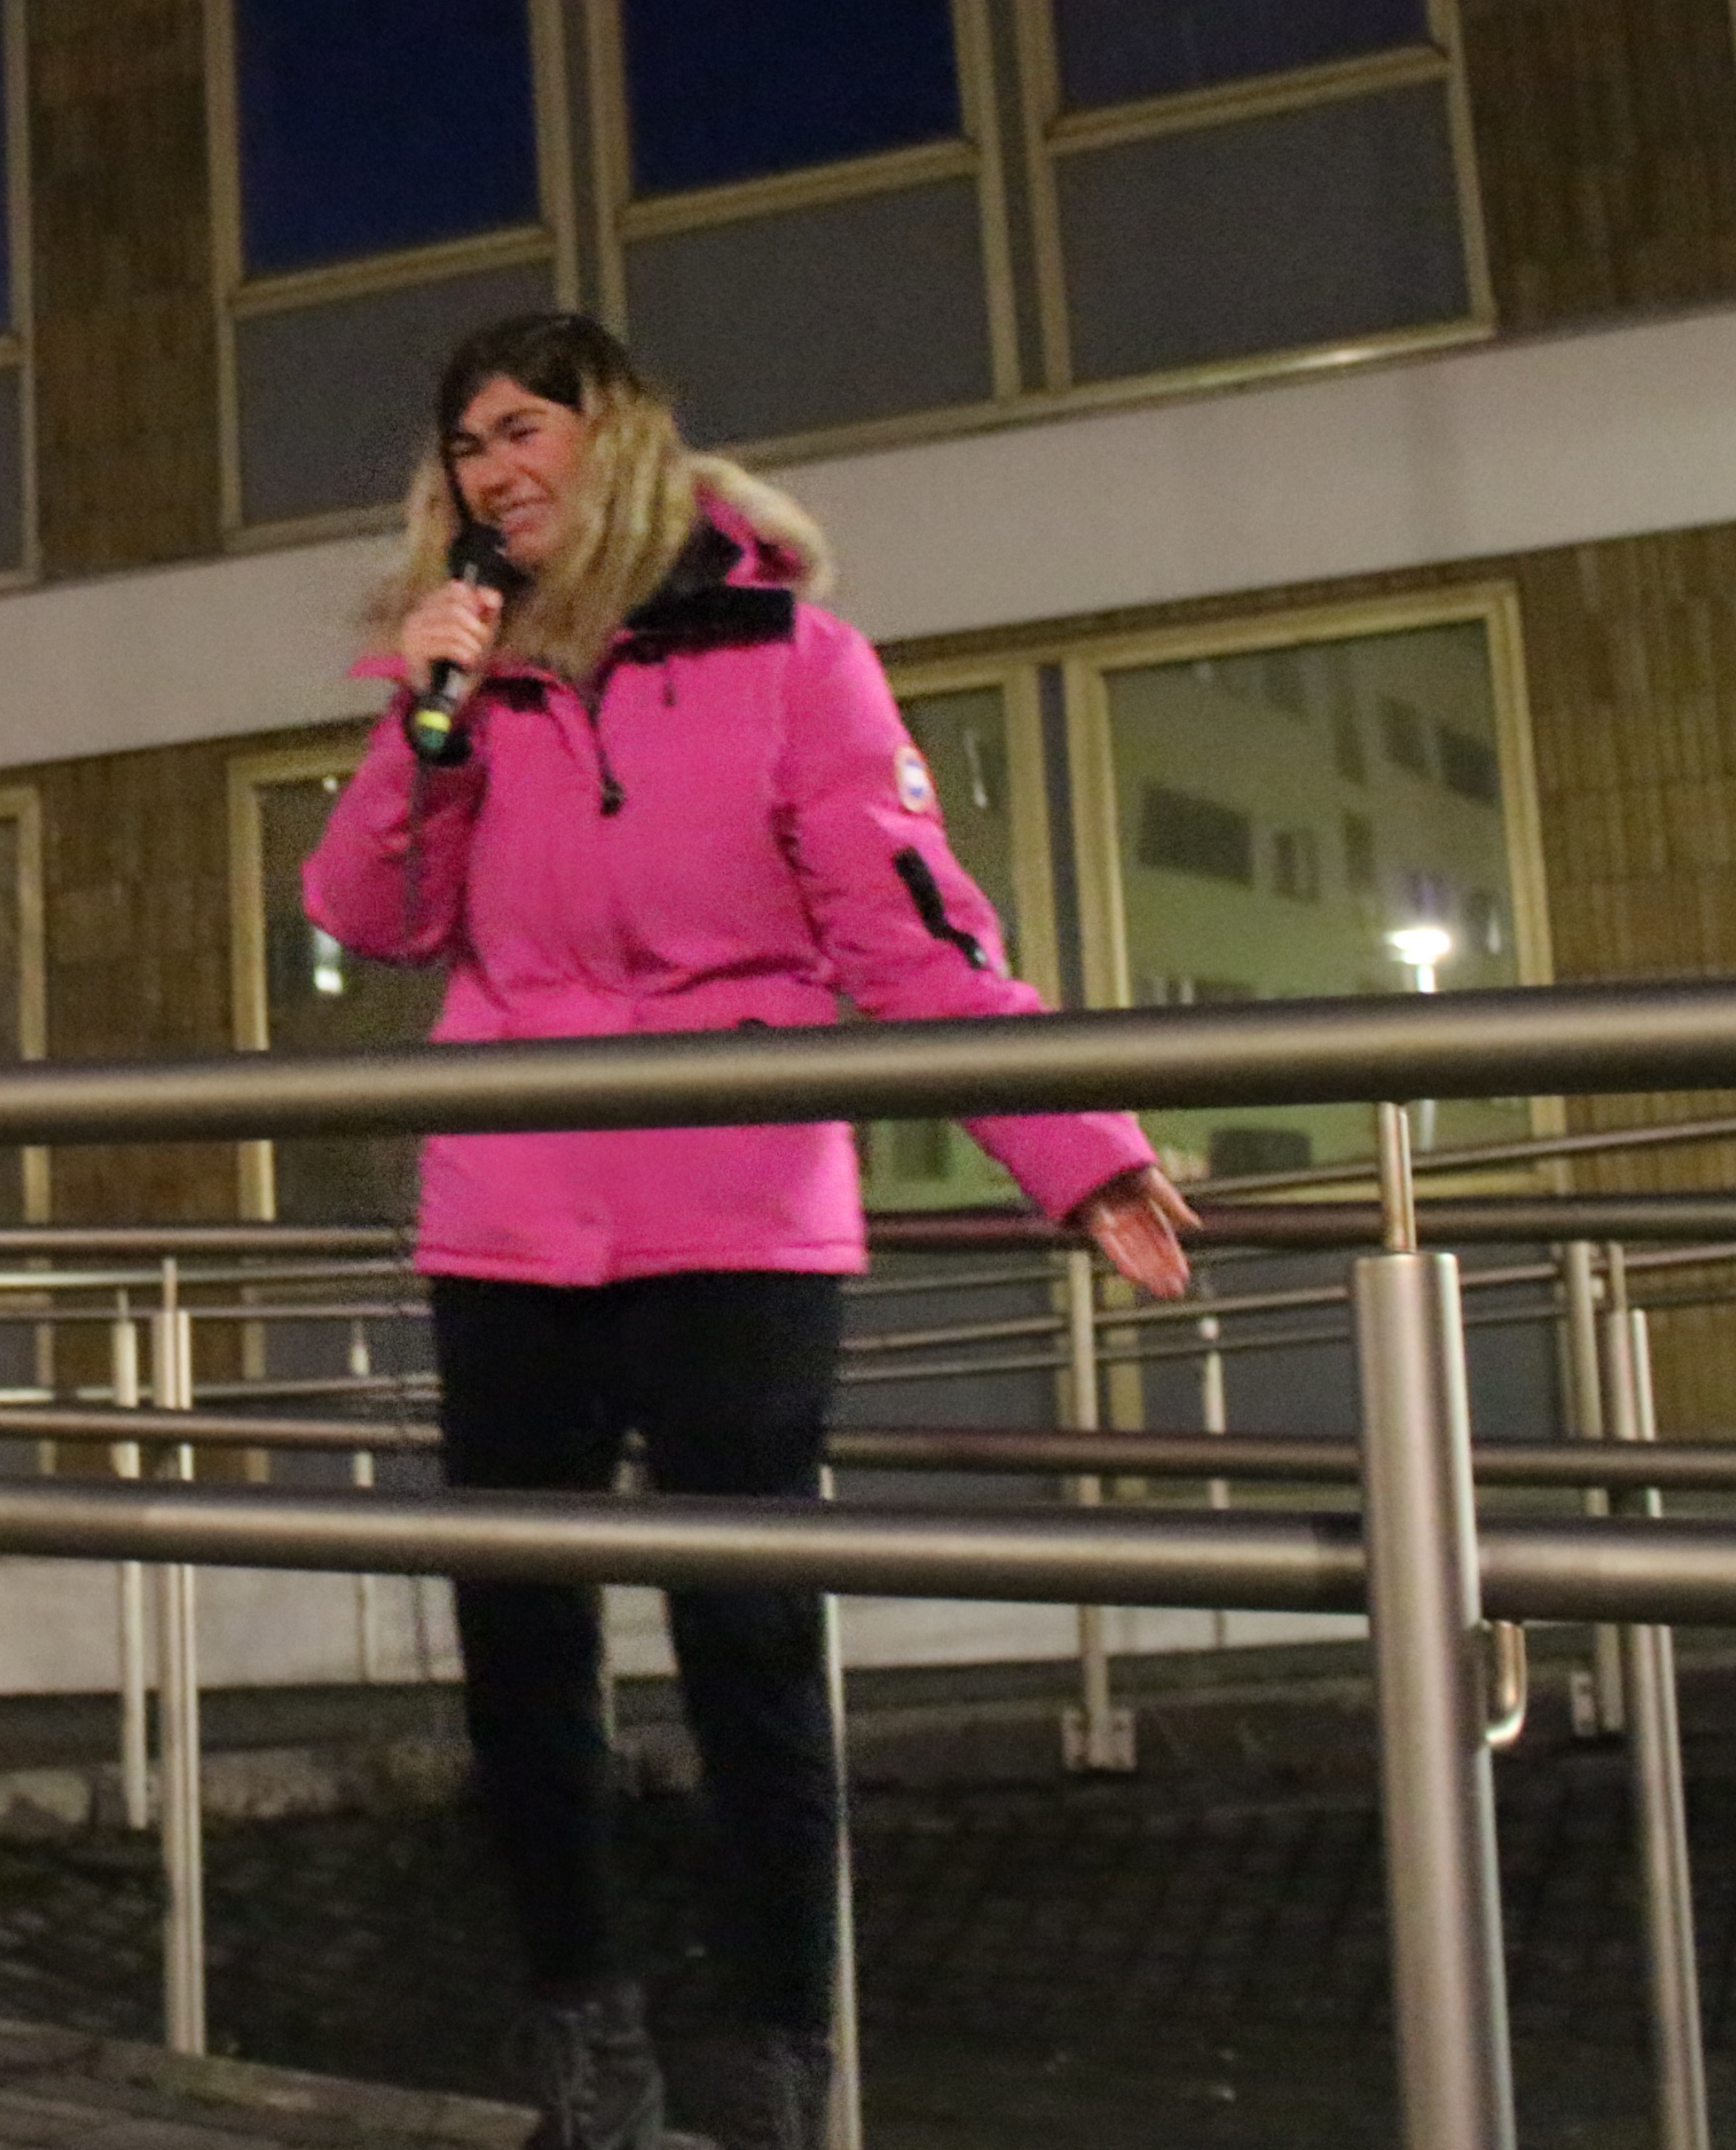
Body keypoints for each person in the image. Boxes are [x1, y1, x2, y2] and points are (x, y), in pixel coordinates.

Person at [302, 314, 1194, 2150]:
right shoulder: (469, 681)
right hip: (510, 1217)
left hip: (738, 1211)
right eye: (467, 443)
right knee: (520, 1656)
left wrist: (1078, 1150)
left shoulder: (796, 661)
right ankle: (587, 2060)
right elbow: (372, 918)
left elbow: (912, 939)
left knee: (750, 1642)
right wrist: (423, 722)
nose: (494, 470)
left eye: (527, 427)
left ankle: (781, 2069)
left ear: (619, 435)